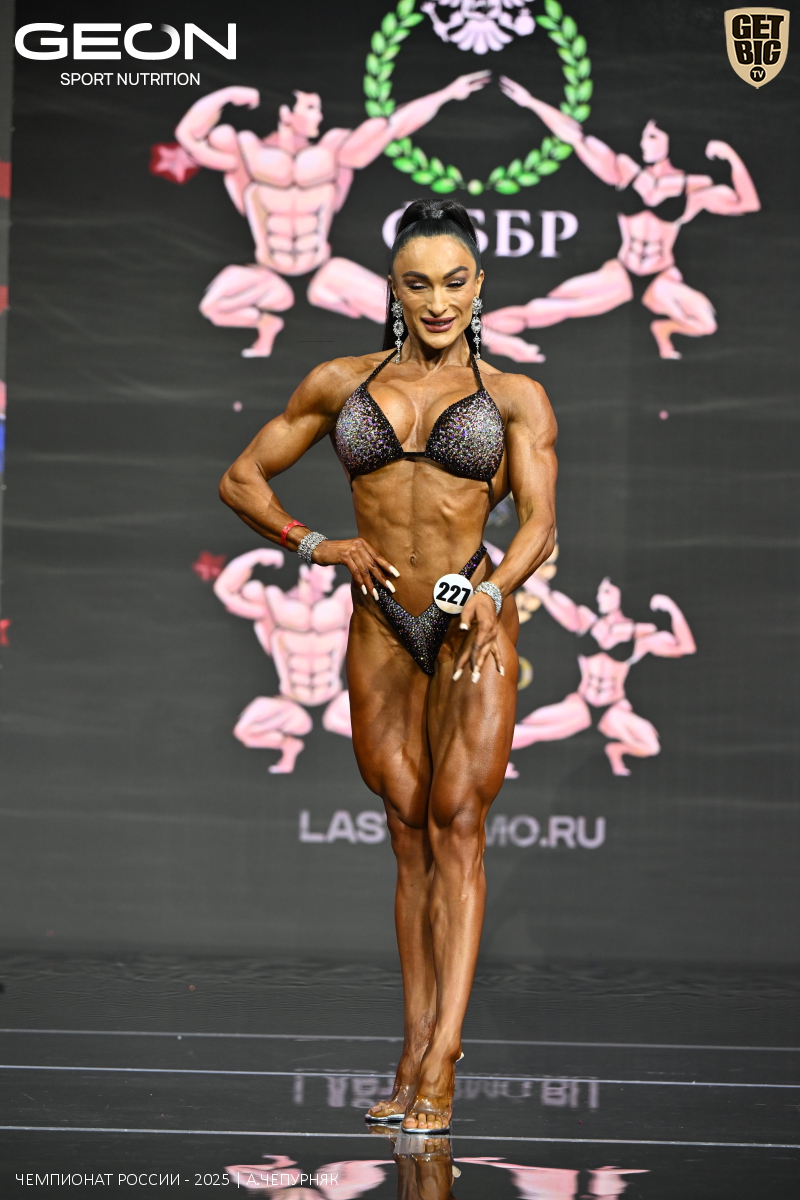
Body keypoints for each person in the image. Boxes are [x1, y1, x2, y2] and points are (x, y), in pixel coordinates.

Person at [219, 198, 557, 1132]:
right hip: (379, 626)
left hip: (472, 625)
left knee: (458, 826)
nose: (438, 301)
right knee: (408, 833)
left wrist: (494, 590)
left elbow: (539, 523)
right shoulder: (340, 383)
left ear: (480, 286)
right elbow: (241, 478)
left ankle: (444, 1060)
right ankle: (411, 1054)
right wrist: (314, 543)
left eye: (455, 282)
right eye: (419, 283)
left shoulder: (515, 397)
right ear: (394, 290)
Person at [175, 75, 490, 356]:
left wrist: (446, 94)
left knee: (410, 310)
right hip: (268, 273)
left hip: (321, 271)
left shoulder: (333, 150)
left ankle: (500, 344)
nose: (319, 115)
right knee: (213, 305)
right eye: (311, 108)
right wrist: (226, 94)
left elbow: (394, 125)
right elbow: (188, 135)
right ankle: (265, 323)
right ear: (286, 113)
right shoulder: (247, 151)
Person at [481, 80, 760, 361]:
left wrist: (731, 156)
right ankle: (480, 334)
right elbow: (575, 136)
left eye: (652, 137)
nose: (643, 144)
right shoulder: (625, 170)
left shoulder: (693, 186)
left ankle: (663, 329)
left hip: (660, 277)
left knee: (705, 323)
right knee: (546, 308)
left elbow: (747, 203)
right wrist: (531, 102)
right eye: (644, 137)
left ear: (670, 140)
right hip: (623, 272)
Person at [511, 575, 696, 776]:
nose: (600, 597)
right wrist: (504, 563)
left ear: (622, 595)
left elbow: (686, 647)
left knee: (651, 746)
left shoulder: (640, 634)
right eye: (600, 592)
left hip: (612, 708)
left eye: (607, 592)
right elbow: (546, 593)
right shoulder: (585, 620)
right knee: (532, 729)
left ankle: (616, 750)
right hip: (582, 703)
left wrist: (671, 608)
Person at [213, 548, 352, 774]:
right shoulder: (272, 605)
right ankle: (288, 745)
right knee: (245, 730)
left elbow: (387, 596)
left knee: (389, 730)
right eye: (326, 569)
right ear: (306, 572)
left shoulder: (344, 601)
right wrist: (255, 556)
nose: (332, 575)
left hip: (334, 700)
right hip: (290, 702)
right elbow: (225, 590)